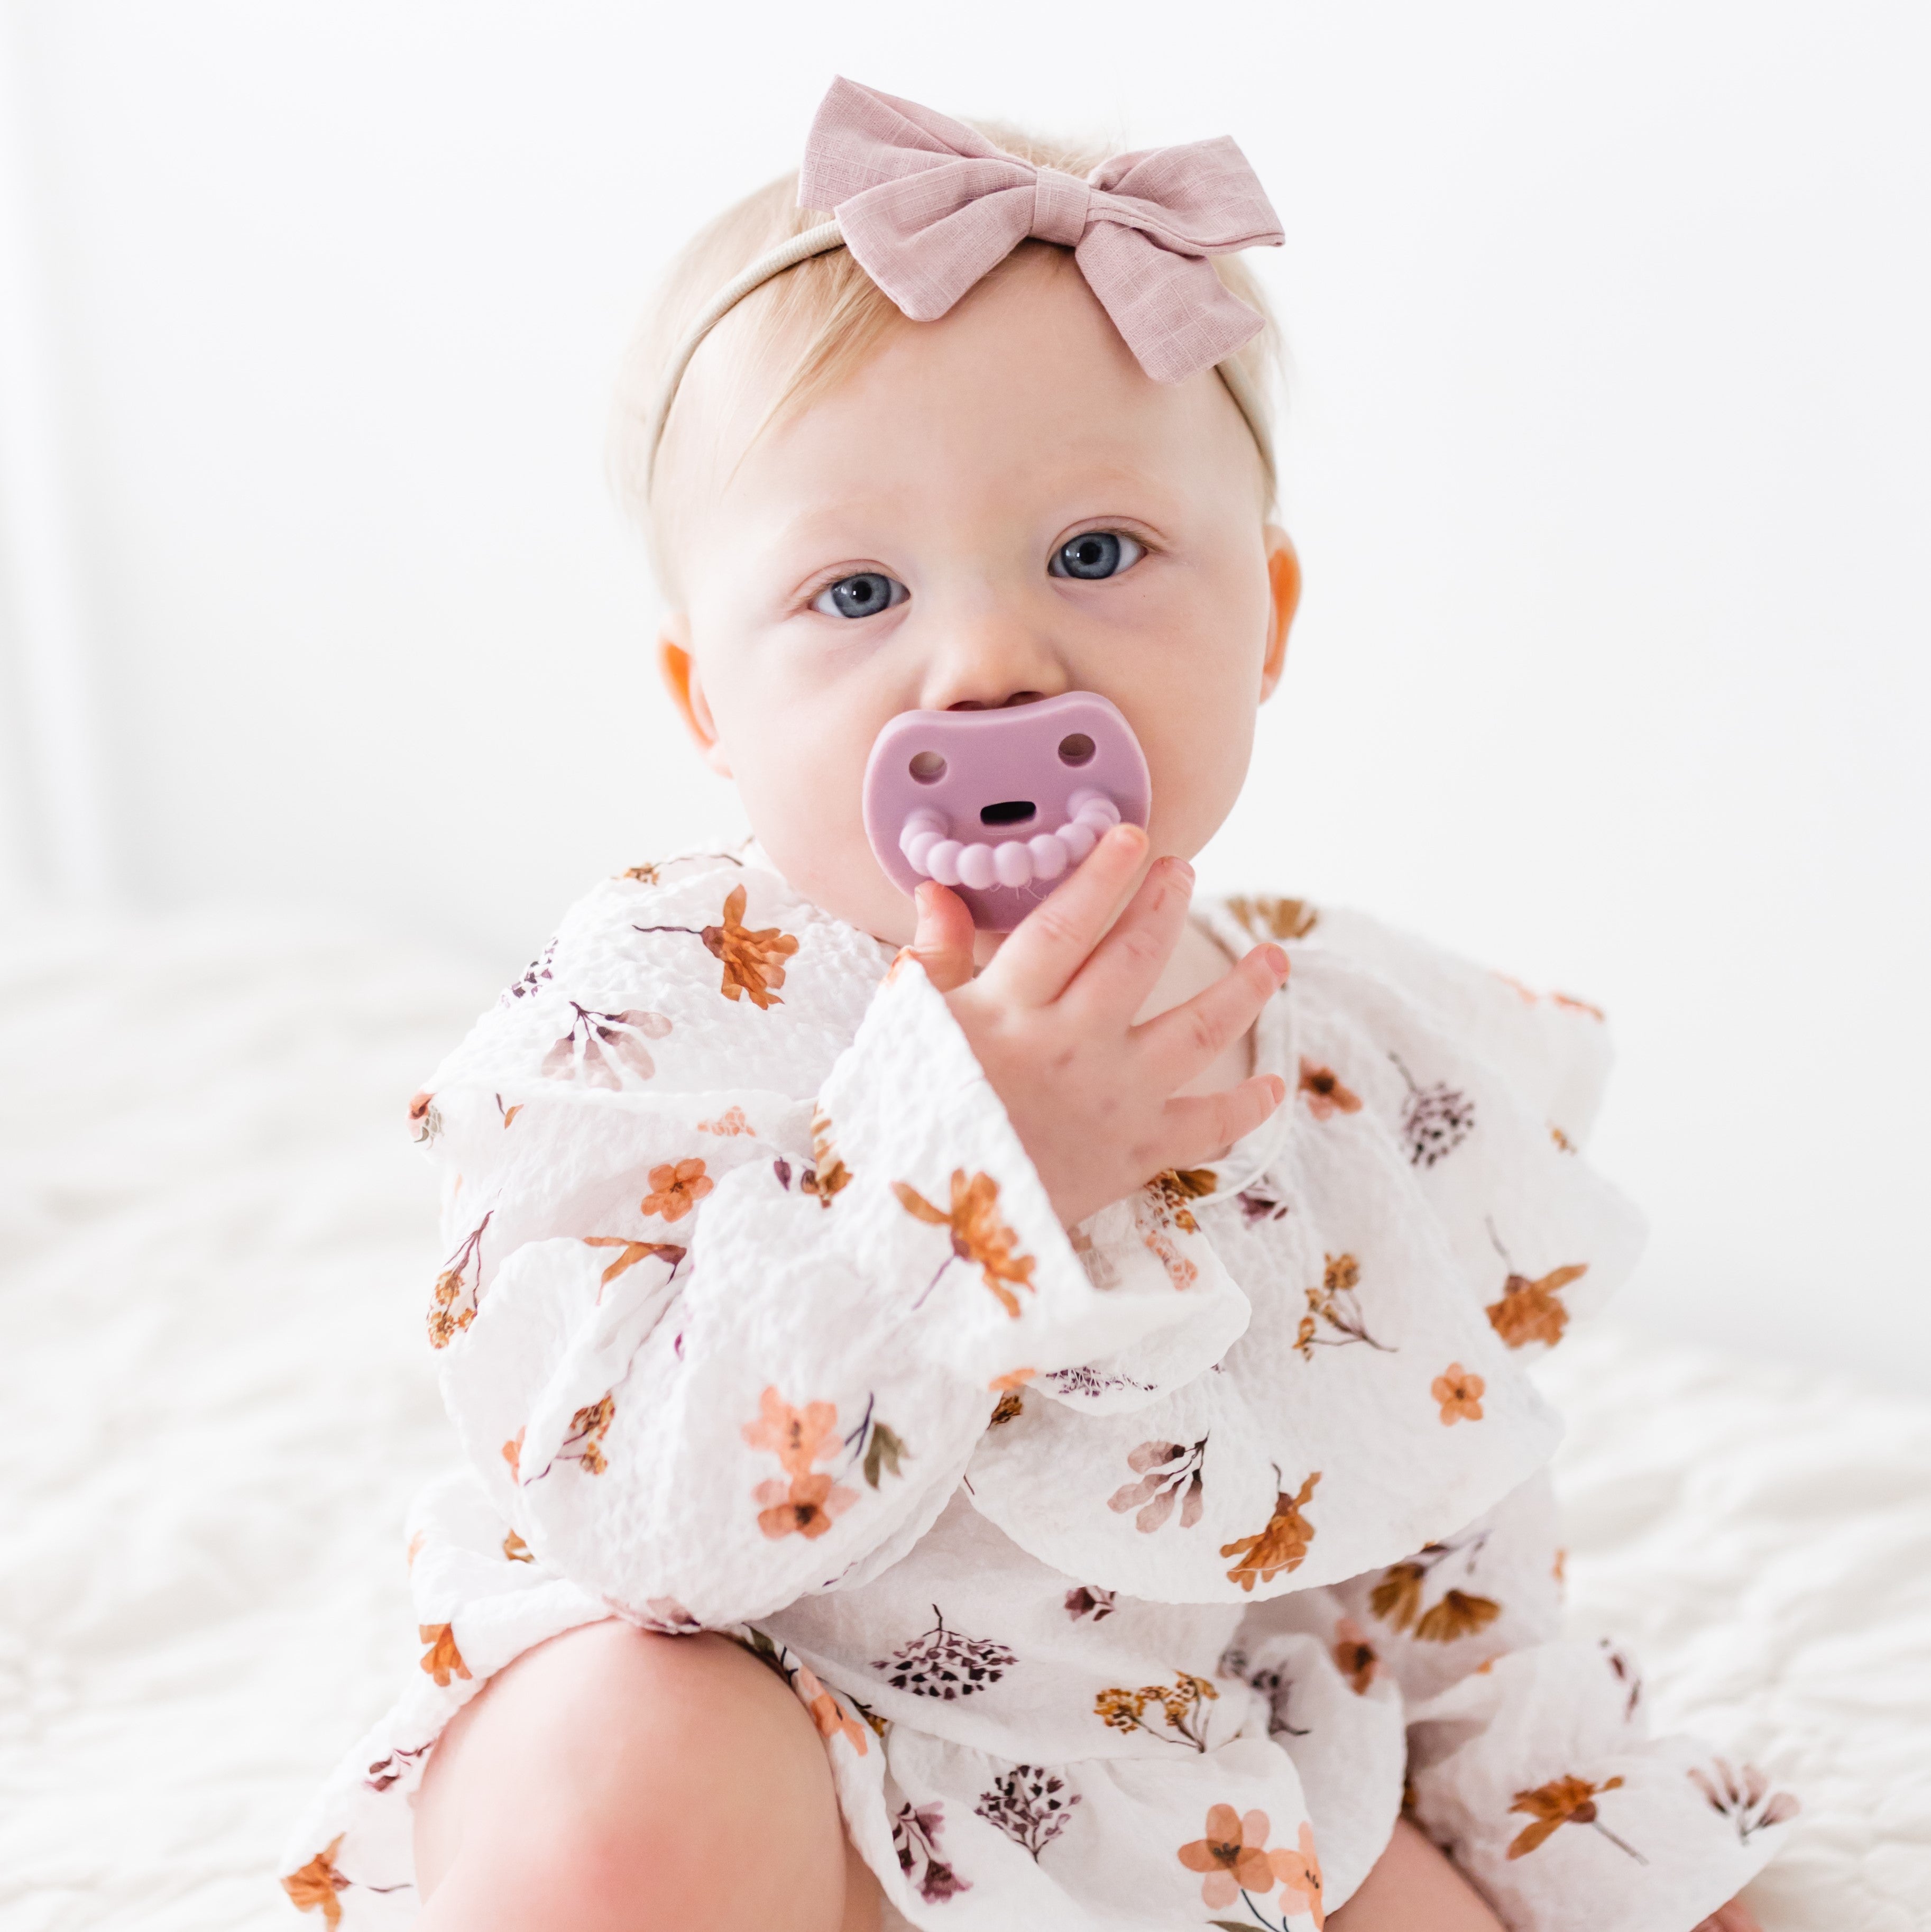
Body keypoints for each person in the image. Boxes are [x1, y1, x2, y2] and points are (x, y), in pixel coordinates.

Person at [280, 78, 1794, 1932]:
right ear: (709, 706)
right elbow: (639, 1523)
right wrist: (952, 1175)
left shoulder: (1333, 1057)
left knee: (1426, 1890)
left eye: (1094, 554)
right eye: (856, 590)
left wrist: (1595, 1850)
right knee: (620, 1757)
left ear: (1266, 618)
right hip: (771, 1752)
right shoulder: (661, 1014)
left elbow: (1434, 1543)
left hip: (1155, 1808)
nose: (989, 662)